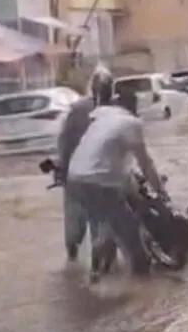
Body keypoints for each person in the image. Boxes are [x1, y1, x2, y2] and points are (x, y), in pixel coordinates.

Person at [66, 82, 169, 281]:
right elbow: (146, 164)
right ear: (135, 107)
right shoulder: (132, 124)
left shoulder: (102, 117)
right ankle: (143, 292)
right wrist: (161, 192)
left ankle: (95, 278)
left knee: (105, 226)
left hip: (75, 178)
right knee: (132, 239)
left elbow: (114, 160)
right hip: (98, 182)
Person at [56, 64, 115, 262]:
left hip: (77, 177)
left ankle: (73, 265)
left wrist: (61, 170)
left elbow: (64, 142)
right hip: (98, 179)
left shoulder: (78, 109)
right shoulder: (114, 110)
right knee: (101, 225)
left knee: (76, 226)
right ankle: (99, 266)